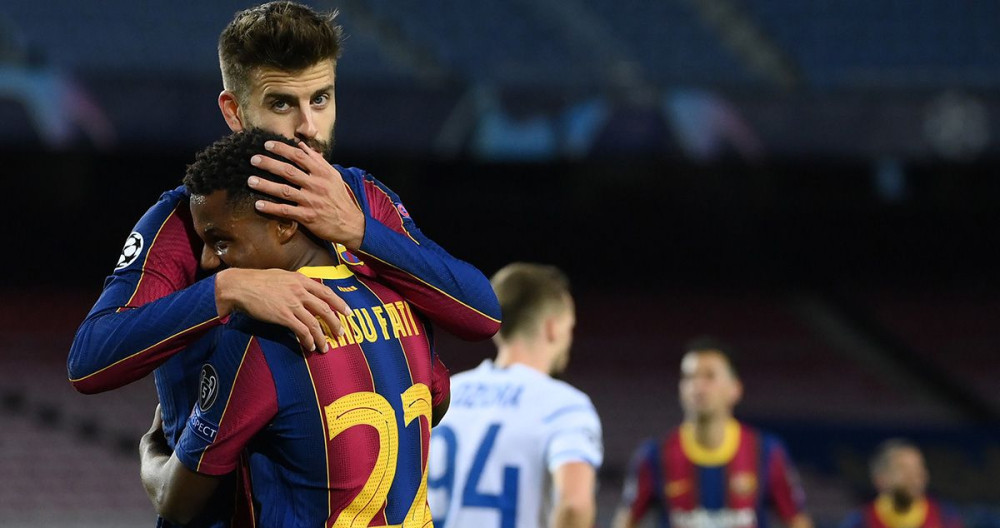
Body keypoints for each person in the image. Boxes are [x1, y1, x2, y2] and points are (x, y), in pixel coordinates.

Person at [66, 2, 500, 526]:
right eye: (281, 104)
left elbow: (483, 316)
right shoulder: (186, 220)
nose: (308, 127)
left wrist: (360, 233)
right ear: (234, 111)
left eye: (321, 98)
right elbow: (89, 361)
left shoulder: (362, 199)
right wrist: (226, 290)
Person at [139, 128, 450, 526]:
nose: (210, 262)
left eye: (220, 241)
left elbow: (175, 501)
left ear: (284, 223)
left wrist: (151, 447)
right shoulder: (399, 298)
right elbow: (436, 402)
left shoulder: (260, 336)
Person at [427, 263, 603, 528]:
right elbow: (574, 506)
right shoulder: (563, 406)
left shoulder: (447, 394)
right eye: (570, 326)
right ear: (552, 327)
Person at [612, 338, 812, 528]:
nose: (698, 386)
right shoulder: (654, 455)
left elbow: (797, 520)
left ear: (735, 389)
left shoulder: (766, 451)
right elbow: (626, 520)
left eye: (709, 376)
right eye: (689, 377)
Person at [840, 440, 962, 528]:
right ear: (880, 479)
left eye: (919, 468)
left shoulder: (945, 517)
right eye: (903, 469)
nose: (914, 476)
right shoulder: (860, 521)